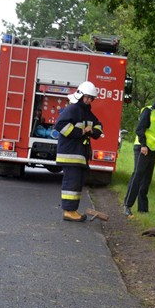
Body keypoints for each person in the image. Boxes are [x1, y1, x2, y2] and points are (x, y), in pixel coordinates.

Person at [55, 81, 103, 222]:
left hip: (79, 154)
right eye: (87, 97)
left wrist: (93, 131)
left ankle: (72, 210)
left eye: (91, 98)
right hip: (70, 154)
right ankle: (68, 211)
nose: (88, 100)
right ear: (80, 95)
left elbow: (98, 126)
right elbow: (60, 125)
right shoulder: (73, 109)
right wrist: (81, 131)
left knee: (77, 182)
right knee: (71, 183)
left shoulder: (87, 112)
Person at [123, 92, 155, 217]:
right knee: (137, 176)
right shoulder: (148, 111)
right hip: (142, 148)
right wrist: (143, 145)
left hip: (152, 151)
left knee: (147, 180)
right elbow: (140, 129)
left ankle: (143, 209)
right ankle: (127, 206)